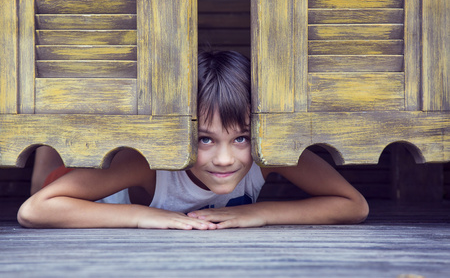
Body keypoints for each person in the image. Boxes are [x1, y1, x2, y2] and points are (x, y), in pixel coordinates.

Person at [18, 50, 369, 230]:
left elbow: (354, 205)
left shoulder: (268, 149)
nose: (225, 158)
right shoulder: (147, 164)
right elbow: (35, 210)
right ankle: (49, 148)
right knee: (47, 182)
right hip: (91, 192)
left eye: (241, 138)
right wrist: (144, 216)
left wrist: (259, 213)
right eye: (204, 140)